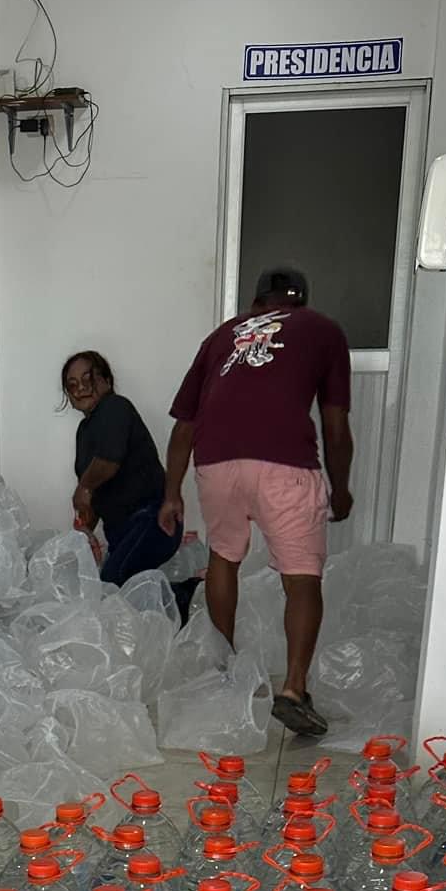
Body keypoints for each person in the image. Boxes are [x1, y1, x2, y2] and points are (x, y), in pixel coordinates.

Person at [159, 268, 354, 738]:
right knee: (301, 577)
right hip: (284, 464)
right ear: (301, 302)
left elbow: (185, 426)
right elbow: (335, 425)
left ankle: (227, 671)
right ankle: (294, 689)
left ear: (256, 302)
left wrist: (171, 494)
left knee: (223, 557)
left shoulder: (221, 336)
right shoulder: (323, 329)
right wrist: (341, 487)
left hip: (216, 463)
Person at [61, 351, 183, 585]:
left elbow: (108, 461)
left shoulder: (115, 406)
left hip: (151, 519)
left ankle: (196, 593)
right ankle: (189, 596)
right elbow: (93, 495)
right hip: (122, 532)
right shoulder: (84, 431)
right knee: (118, 591)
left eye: (88, 379)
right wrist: (85, 531)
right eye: (72, 385)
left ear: (107, 381)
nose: (80, 389)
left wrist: (84, 488)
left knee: (113, 584)